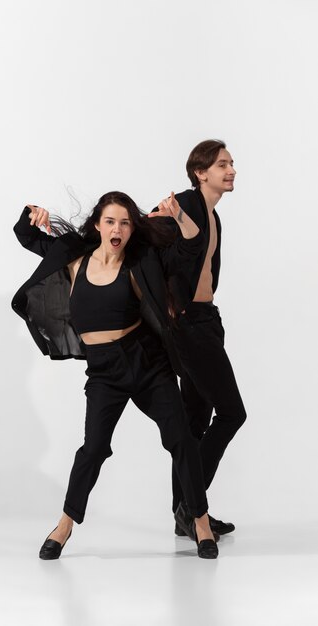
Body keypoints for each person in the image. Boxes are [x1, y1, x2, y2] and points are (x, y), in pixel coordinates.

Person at [12, 191, 219, 559]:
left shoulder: (142, 259)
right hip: (105, 370)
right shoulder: (74, 257)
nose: (117, 228)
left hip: (147, 362)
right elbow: (28, 236)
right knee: (93, 449)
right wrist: (33, 214)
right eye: (110, 221)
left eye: (125, 222)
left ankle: (199, 519)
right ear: (98, 225)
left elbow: (189, 251)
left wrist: (181, 220)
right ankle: (64, 525)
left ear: (131, 228)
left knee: (181, 438)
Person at [155, 140, 247, 540]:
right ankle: (193, 509)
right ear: (200, 172)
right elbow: (152, 236)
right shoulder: (188, 207)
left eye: (232, 163)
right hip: (189, 324)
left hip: (206, 320)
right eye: (223, 164)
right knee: (232, 413)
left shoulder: (213, 215)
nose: (232, 170)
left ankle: (189, 516)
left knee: (196, 421)